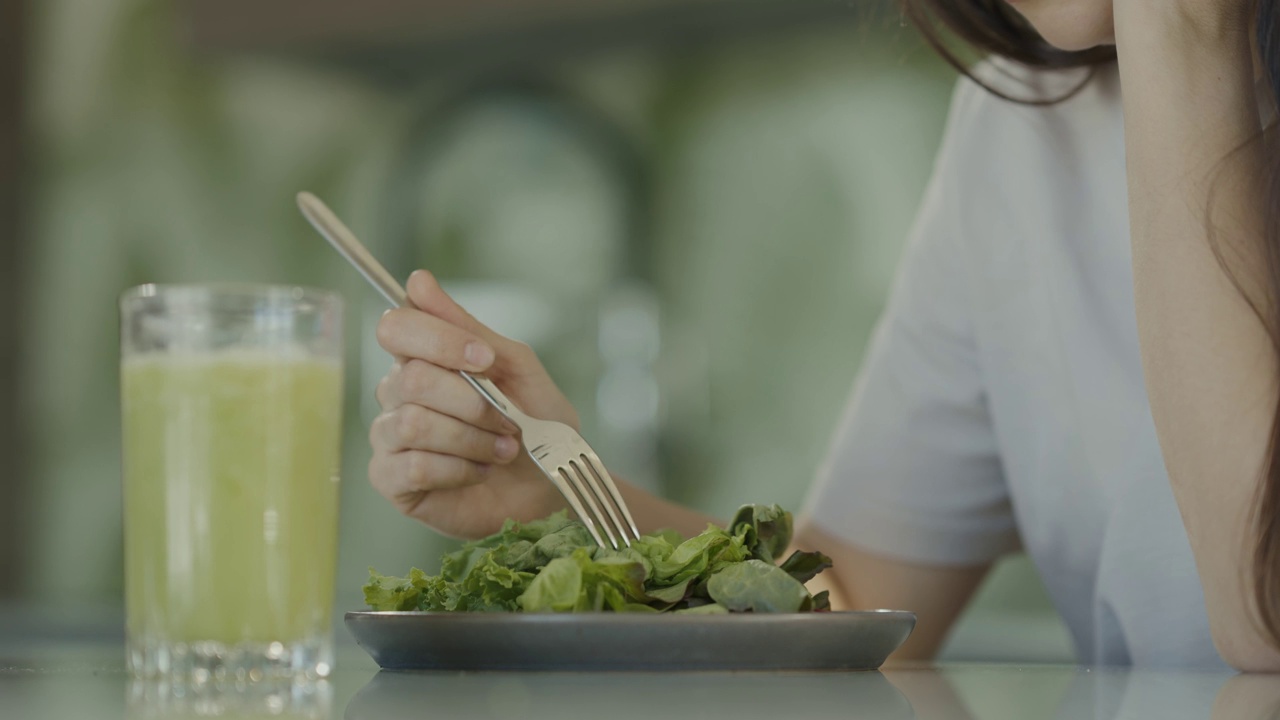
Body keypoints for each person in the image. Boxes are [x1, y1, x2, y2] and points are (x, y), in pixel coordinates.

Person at [367, 0, 1280, 671]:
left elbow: (1264, 616)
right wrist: (568, 497)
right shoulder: (1017, 124)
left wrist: (1183, 31)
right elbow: (851, 598)